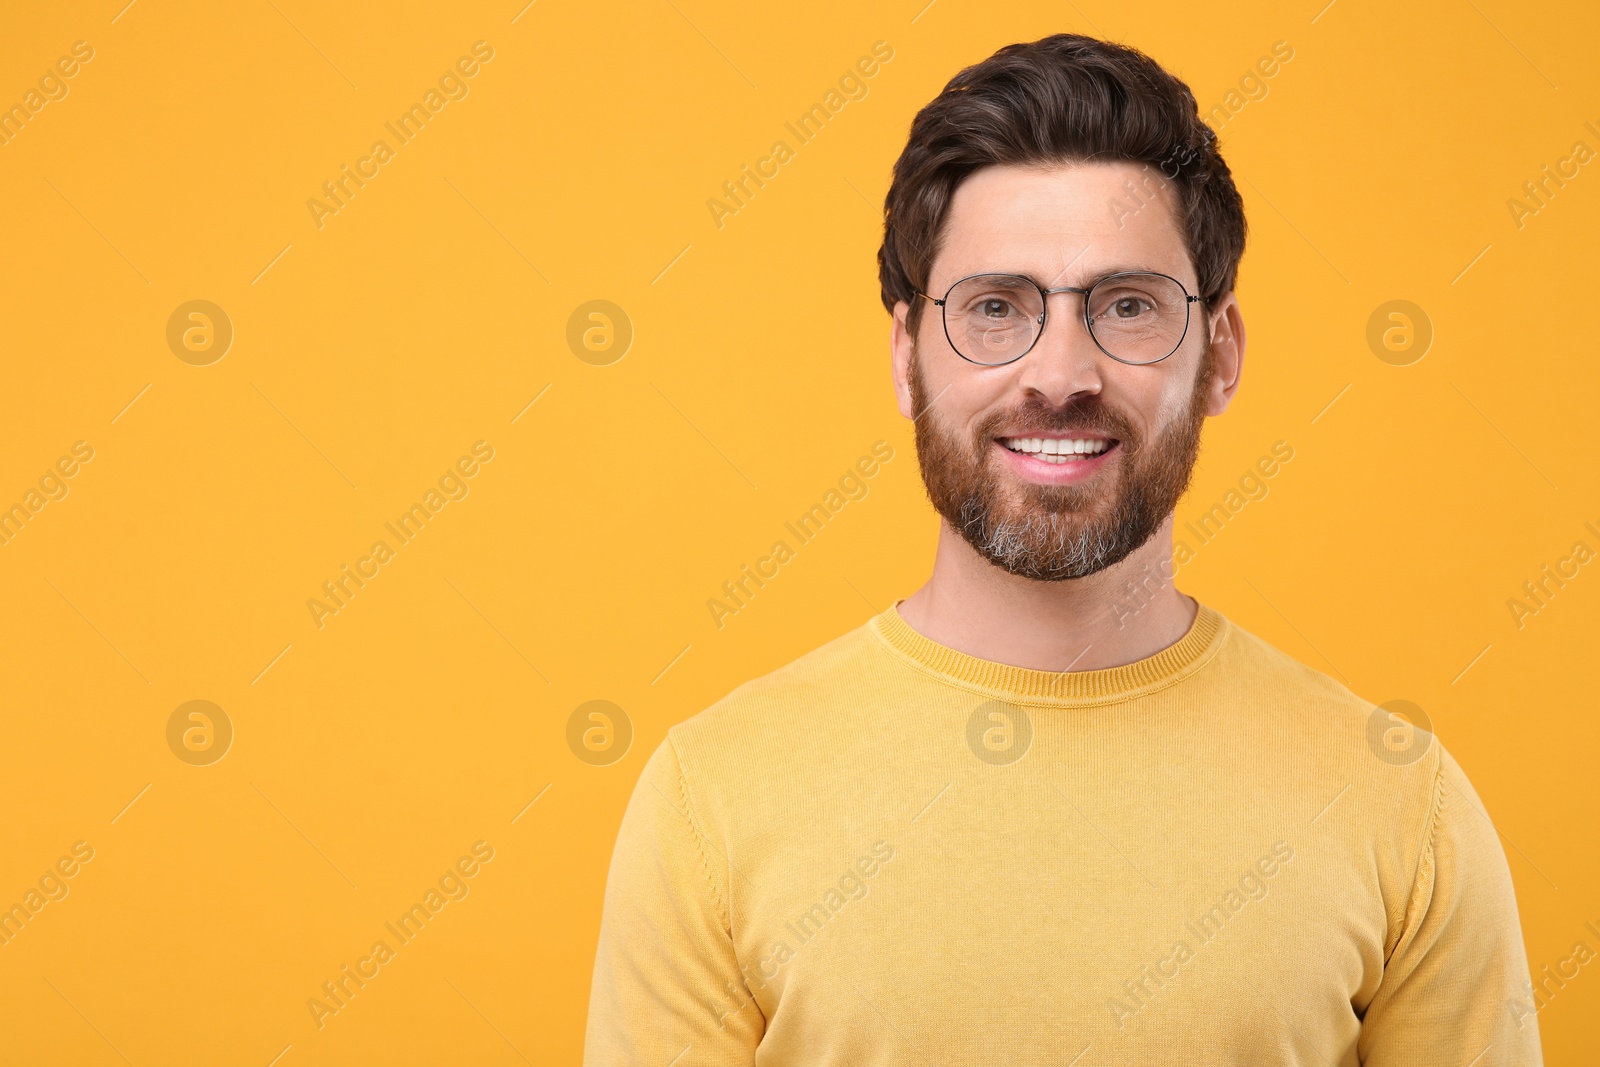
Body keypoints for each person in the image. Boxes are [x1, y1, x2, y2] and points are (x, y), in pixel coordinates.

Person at [583, 32, 1541, 1065]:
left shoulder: (1399, 801)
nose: (1061, 372)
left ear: (1217, 356)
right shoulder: (711, 798)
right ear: (907, 357)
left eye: (1127, 307)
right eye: (996, 308)